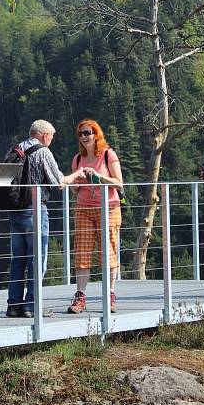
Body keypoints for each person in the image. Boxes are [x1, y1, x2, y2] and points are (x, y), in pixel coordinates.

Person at [6, 120, 84, 318]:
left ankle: (14, 305)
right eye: (52, 136)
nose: (51, 140)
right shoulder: (43, 152)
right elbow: (57, 182)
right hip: (35, 211)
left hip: (15, 211)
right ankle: (31, 305)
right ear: (45, 135)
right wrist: (76, 175)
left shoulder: (16, 149)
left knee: (18, 260)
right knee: (37, 259)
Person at [67, 119, 124, 314]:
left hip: (108, 208)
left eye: (88, 132)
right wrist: (77, 181)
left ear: (96, 134)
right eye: (81, 134)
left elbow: (119, 183)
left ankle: (109, 294)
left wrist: (99, 177)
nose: (84, 137)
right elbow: (75, 190)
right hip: (84, 207)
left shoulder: (108, 155)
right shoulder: (77, 159)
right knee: (82, 253)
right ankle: (80, 296)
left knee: (108, 251)